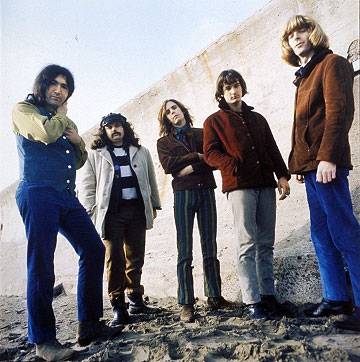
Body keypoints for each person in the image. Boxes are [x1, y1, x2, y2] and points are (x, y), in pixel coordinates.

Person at [12, 65, 122, 361]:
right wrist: (62, 116)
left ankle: (89, 325)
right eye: (54, 84)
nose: (59, 89)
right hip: (37, 192)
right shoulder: (23, 109)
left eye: (65, 86)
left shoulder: (64, 118)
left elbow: (78, 158)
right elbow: (46, 134)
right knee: (42, 264)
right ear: (43, 85)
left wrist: (79, 142)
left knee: (94, 248)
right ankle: (44, 341)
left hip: (64, 195)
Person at [281, 15, 360, 331]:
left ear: (314, 33)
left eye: (302, 30)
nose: (297, 37)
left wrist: (328, 158)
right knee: (321, 233)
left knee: (344, 232)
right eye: (290, 35)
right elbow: (303, 126)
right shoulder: (304, 76)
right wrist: (297, 166)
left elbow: (339, 114)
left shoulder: (333, 64)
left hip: (327, 166)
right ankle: (335, 297)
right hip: (311, 168)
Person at [203, 70, 291, 319]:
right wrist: (232, 164)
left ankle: (268, 295)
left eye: (237, 85)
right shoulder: (214, 121)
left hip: (265, 184)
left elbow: (272, 148)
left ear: (243, 87)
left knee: (265, 243)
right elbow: (210, 154)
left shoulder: (258, 118)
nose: (233, 91)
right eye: (228, 87)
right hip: (239, 186)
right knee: (247, 243)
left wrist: (282, 175)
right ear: (221, 92)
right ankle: (252, 301)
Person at [78, 112, 161, 326]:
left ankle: (136, 300)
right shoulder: (95, 155)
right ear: (104, 131)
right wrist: (92, 211)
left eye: (118, 126)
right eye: (110, 127)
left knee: (135, 257)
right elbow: (87, 187)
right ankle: (118, 306)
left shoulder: (141, 152)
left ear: (125, 128)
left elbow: (151, 179)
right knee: (114, 259)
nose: (115, 130)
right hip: (111, 214)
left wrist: (153, 204)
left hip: (136, 211)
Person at [157, 99, 231, 323]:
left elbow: (214, 159)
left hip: (206, 190)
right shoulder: (163, 142)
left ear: (183, 110)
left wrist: (192, 165)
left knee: (210, 244)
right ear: (166, 119)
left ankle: (214, 295)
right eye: (168, 112)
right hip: (183, 195)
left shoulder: (202, 133)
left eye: (175, 108)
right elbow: (169, 167)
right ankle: (186, 303)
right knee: (184, 249)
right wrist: (196, 157)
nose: (173, 113)